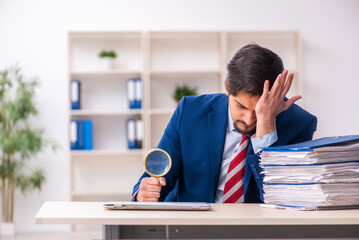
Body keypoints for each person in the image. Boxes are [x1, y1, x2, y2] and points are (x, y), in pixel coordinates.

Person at [132, 43, 317, 203]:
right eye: (241, 106)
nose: (249, 119)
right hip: (193, 229)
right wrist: (144, 194)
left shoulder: (299, 124)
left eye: (259, 110)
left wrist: (267, 127)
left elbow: (284, 198)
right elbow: (157, 178)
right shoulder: (190, 112)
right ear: (228, 87)